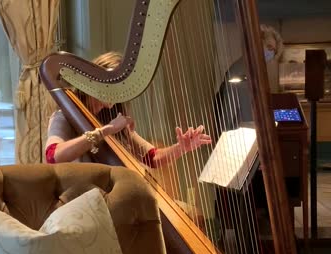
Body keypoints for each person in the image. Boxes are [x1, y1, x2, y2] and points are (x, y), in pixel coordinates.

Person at [45, 52, 212, 168]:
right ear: (96, 81)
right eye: (114, 86)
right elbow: (53, 156)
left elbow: (152, 158)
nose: (118, 95)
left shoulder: (113, 117)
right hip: (82, 198)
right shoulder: (64, 117)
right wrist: (106, 131)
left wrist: (182, 147)